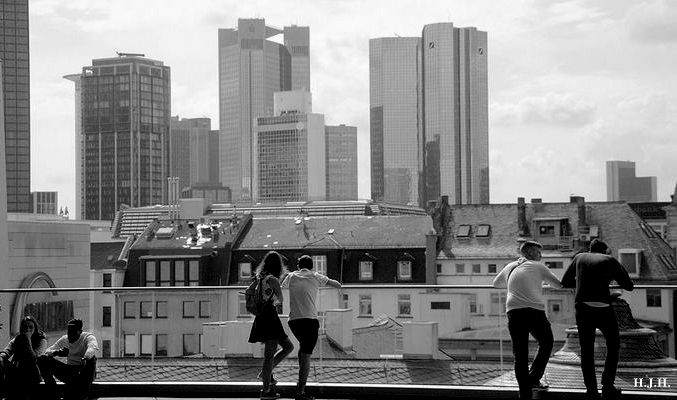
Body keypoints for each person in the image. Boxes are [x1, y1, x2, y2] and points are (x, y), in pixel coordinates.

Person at [562, 239, 634, 400]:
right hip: (602, 307)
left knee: (586, 350)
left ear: (590, 249)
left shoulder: (579, 257)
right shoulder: (610, 260)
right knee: (613, 345)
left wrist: (583, 281)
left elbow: (565, 282)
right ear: (606, 251)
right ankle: (607, 386)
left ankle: (591, 391)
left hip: (583, 307)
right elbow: (628, 285)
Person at [493, 241, 562, 400]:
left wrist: (515, 284)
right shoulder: (538, 266)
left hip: (513, 311)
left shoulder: (510, 266)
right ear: (531, 253)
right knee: (547, 342)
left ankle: (524, 394)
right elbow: (559, 285)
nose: (541, 256)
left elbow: (496, 284)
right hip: (533, 310)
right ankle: (534, 378)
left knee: (520, 354)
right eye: (539, 253)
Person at [281, 255, 341, 400]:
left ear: (298, 266)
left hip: (294, 321)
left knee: (303, 349)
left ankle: (299, 387)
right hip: (310, 320)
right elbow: (337, 284)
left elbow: (281, 286)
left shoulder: (291, 276)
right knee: (306, 354)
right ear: (311, 266)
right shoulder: (315, 275)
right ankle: (300, 392)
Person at [248, 251, 294, 400]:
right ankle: (266, 390)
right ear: (278, 265)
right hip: (270, 317)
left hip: (262, 317)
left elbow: (249, 291)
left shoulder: (259, 278)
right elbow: (280, 299)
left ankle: (265, 375)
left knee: (280, 349)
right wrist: (273, 301)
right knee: (278, 351)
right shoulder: (273, 280)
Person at [37, 318, 99, 400]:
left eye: (73, 333)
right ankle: (53, 391)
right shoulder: (65, 339)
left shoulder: (87, 337)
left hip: (83, 373)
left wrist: (85, 358)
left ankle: (83, 394)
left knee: (92, 359)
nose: (70, 336)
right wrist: (57, 352)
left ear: (80, 332)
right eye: (69, 333)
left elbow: (92, 347)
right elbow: (46, 351)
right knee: (42, 359)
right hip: (70, 372)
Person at [0, 316, 47, 399]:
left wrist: (27, 339)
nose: (28, 329)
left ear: (35, 328)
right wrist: (1, 357)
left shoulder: (41, 340)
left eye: (31, 327)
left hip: (33, 373)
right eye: (25, 327)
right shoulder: (17, 339)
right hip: (18, 371)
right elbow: (7, 351)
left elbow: (34, 358)